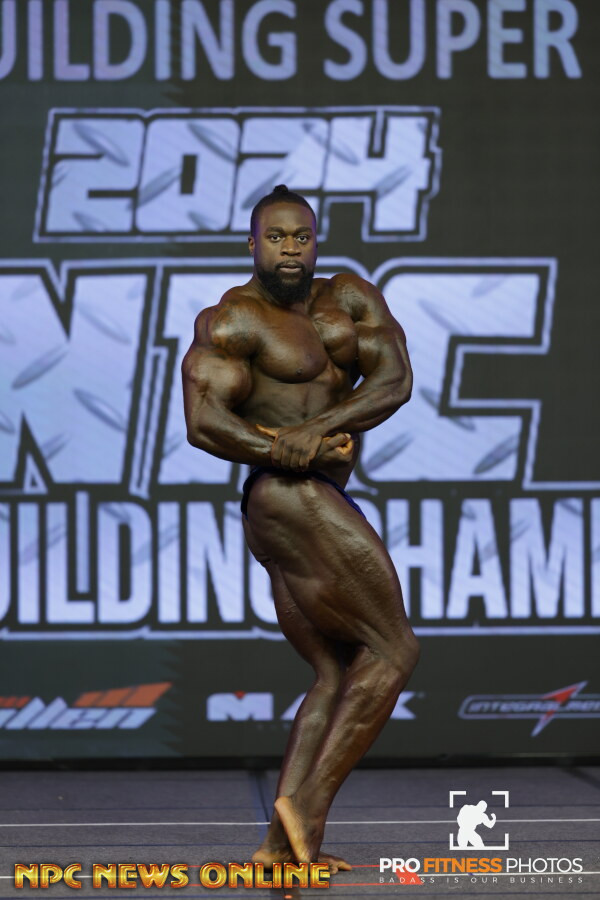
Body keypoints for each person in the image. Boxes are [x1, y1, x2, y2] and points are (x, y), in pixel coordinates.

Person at [182, 184, 419, 871]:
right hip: (284, 496)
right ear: (252, 244)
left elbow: (394, 382)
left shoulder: (350, 299)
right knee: (395, 649)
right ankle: (307, 811)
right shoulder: (233, 319)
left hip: (307, 493)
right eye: (276, 237)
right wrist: (287, 450)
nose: (291, 248)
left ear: (316, 241)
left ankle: (279, 846)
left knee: (335, 669)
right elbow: (203, 422)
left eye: (302, 236)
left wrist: (315, 430)